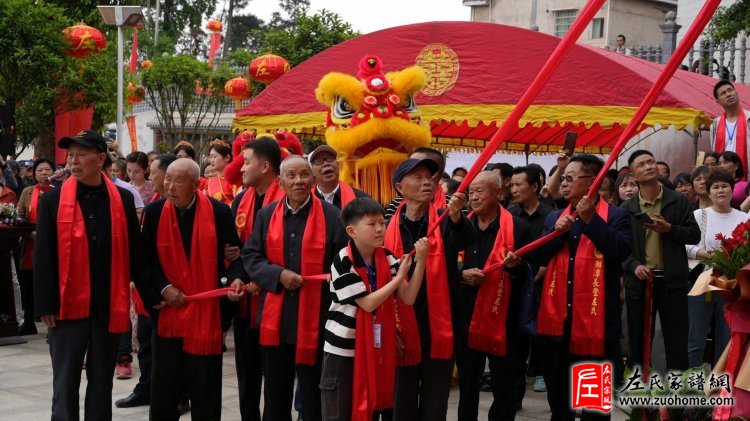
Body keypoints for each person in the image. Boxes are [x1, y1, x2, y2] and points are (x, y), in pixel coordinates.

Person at [34, 130, 143, 420]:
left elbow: (135, 251)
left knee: (100, 385)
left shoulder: (122, 199)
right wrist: (45, 304)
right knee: (65, 383)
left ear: (100, 159)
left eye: (81, 154)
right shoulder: (52, 201)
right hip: (66, 307)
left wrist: (152, 292)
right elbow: (43, 255)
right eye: (71, 155)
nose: (74, 161)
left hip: (107, 306)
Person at [241, 155, 348, 421]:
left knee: (313, 399)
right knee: (276, 397)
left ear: (313, 180)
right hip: (276, 319)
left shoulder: (333, 217)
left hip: (318, 320)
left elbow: (344, 261)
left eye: (304, 175)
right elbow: (251, 256)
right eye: (292, 176)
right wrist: (278, 275)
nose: (299, 181)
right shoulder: (267, 214)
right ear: (281, 182)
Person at [528, 153, 632, 421]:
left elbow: (620, 251)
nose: (563, 183)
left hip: (596, 326)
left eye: (570, 178)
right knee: (560, 402)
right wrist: (556, 235)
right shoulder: (554, 217)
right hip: (558, 325)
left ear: (592, 182)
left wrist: (590, 220)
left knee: (594, 405)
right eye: (563, 178)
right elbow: (537, 258)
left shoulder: (616, 215)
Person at [140, 158, 244, 420]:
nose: (170, 186)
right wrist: (163, 289)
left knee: (205, 388)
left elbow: (236, 257)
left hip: (206, 314)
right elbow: (145, 260)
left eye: (179, 181)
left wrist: (235, 280)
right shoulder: (154, 213)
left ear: (197, 185)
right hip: (168, 313)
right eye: (167, 179)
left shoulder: (219, 211)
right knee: (164, 389)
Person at [321, 197, 428, 421]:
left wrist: (421, 263)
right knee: (340, 411)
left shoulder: (387, 256)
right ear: (352, 231)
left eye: (382, 222)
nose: (380, 229)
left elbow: (407, 298)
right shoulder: (343, 260)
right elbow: (368, 303)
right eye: (372, 224)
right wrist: (399, 278)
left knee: (373, 408)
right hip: (344, 349)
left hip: (376, 345)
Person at [385, 158, 475, 421]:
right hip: (401, 324)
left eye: (430, 177)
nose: (427, 182)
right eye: (418, 177)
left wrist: (457, 216)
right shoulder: (386, 224)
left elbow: (465, 238)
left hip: (439, 326)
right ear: (400, 187)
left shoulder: (444, 219)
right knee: (400, 404)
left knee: (435, 406)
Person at [458, 171, 530, 421]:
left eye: (480, 191)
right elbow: (443, 264)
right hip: (466, 316)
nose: (474, 197)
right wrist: (461, 273)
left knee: (504, 385)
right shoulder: (460, 226)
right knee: (467, 382)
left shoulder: (518, 227)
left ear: (499, 193)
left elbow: (528, 276)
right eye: (471, 192)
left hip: (503, 319)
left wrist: (516, 266)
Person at [622, 150, 700, 374]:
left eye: (651, 162)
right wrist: (633, 265)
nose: (649, 166)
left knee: (676, 341)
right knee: (637, 343)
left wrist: (670, 229)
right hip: (639, 283)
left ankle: (678, 401)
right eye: (642, 164)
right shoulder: (627, 209)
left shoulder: (677, 201)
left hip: (672, 282)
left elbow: (694, 235)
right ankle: (640, 399)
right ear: (634, 175)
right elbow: (620, 249)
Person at [114, 153, 179, 410]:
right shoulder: (154, 207)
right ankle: (147, 387)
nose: (151, 176)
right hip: (150, 289)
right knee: (146, 340)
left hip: (172, 292)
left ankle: (174, 394)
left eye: (154, 172)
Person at [228, 138, 285, 421]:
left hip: (278, 301)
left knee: (277, 378)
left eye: (246, 162)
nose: (241, 169)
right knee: (247, 374)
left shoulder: (288, 200)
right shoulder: (240, 200)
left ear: (265, 166)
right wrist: (238, 278)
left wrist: (263, 278)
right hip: (246, 303)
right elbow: (236, 252)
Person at [685, 168, 746, 368]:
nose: (721, 190)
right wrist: (699, 253)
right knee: (696, 338)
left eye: (725, 186)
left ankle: (720, 387)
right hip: (702, 283)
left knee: (725, 338)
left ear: (731, 190)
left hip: (731, 286)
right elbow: (682, 245)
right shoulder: (698, 215)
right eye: (716, 187)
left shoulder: (743, 219)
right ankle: (692, 383)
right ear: (708, 192)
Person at [508, 165, 554, 398]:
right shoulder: (509, 216)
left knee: (545, 341)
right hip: (518, 287)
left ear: (534, 187)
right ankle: (514, 397)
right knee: (516, 346)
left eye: (518, 185)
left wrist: (544, 269)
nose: (513, 190)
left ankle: (547, 380)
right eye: (511, 185)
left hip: (546, 286)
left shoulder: (551, 216)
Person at [16, 158, 55, 335]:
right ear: (34, 173)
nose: (44, 173)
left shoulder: (59, 192)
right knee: (27, 284)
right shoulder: (27, 192)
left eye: (47, 169)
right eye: (40, 170)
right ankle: (29, 321)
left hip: (53, 245)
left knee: (49, 284)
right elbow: (19, 216)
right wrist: (30, 233)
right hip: (30, 243)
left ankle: (52, 325)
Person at [385, 148, 451, 219]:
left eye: (415, 162)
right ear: (400, 187)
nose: (410, 164)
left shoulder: (453, 206)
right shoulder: (396, 204)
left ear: (433, 174)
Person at [309, 144, 369, 209]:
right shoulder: (305, 201)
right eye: (319, 161)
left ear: (338, 165)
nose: (326, 164)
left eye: (330, 158)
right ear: (311, 171)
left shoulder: (361, 199)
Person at [711, 80, 750, 174]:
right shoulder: (715, 124)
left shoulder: (748, 118)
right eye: (723, 93)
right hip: (724, 179)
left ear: (736, 93)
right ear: (718, 101)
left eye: (730, 90)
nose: (728, 94)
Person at [207, 139, 236, 205]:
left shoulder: (235, 180)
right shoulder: (210, 181)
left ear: (227, 158)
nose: (211, 160)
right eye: (210, 157)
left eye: (214, 157)